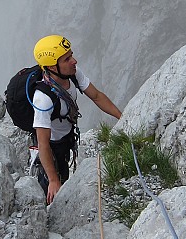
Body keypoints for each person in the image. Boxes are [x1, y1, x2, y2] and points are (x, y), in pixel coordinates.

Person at [31, 34, 121, 204]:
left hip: (66, 139)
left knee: (64, 176)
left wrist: (122, 117)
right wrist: (52, 180)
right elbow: (43, 144)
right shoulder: (43, 99)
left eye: (71, 55)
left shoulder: (72, 74)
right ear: (52, 66)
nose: (74, 61)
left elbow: (96, 96)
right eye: (67, 59)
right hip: (51, 148)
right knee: (50, 192)